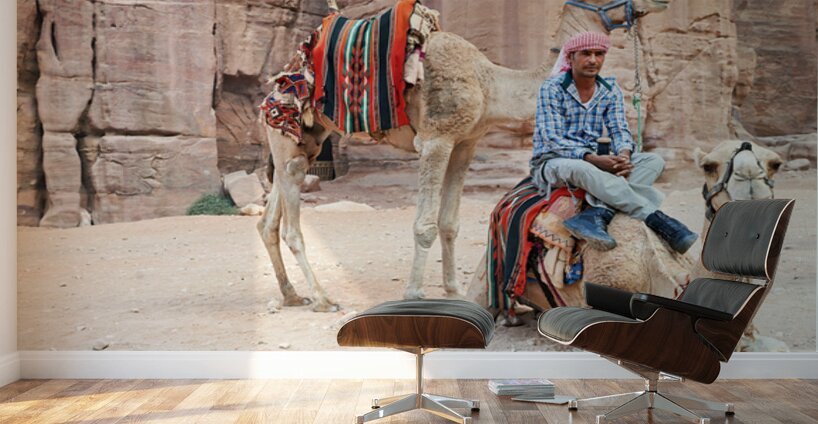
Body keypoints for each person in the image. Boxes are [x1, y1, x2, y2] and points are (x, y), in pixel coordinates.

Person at [530, 31, 697, 254]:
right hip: (555, 161)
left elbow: (620, 130)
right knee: (582, 168)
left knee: (652, 161)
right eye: (586, 54)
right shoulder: (552, 88)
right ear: (571, 58)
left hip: (597, 158)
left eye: (599, 54)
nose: (593, 60)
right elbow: (552, 139)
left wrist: (624, 156)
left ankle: (598, 213)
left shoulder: (610, 90)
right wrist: (592, 159)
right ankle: (657, 219)